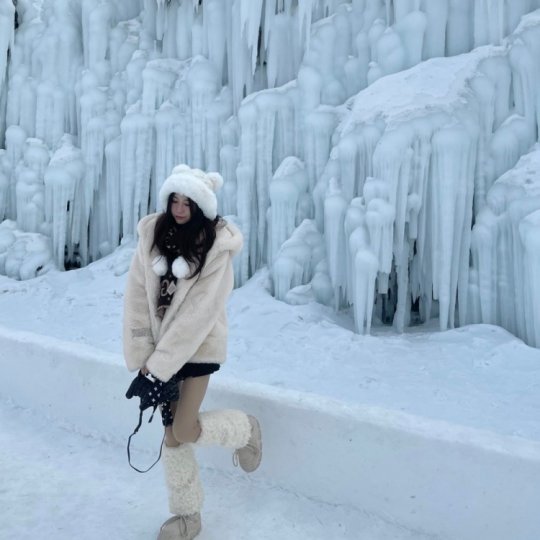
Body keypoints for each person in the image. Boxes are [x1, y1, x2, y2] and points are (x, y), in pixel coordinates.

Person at [123, 164, 262, 540]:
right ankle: (188, 518)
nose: (180, 208)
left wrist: (158, 370)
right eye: (175, 200)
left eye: (188, 202)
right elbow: (137, 296)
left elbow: (198, 316)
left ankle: (246, 428)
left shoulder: (216, 248)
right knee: (171, 436)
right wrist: (142, 358)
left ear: (201, 207)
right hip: (159, 356)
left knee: (183, 428)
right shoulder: (152, 236)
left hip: (198, 348)